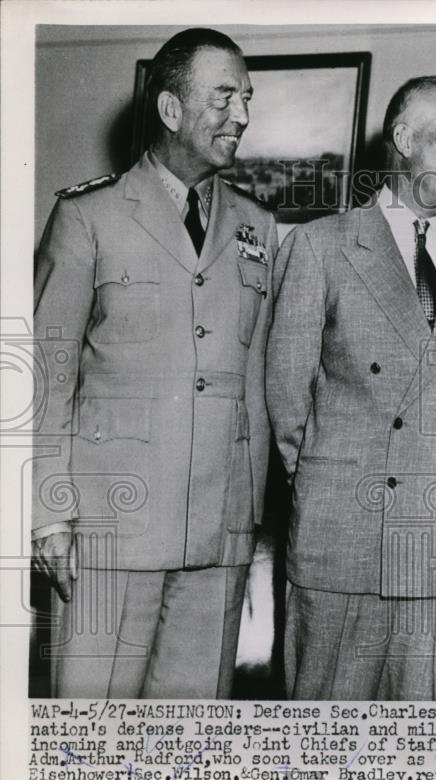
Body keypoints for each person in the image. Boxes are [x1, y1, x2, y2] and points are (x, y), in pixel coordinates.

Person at [31, 28, 277, 698]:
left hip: (220, 526)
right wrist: (49, 513)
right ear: (171, 109)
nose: (243, 115)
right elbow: (44, 375)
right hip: (110, 524)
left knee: (189, 743)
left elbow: (257, 378)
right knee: (91, 738)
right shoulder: (89, 215)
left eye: (247, 98)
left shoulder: (260, 226)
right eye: (224, 96)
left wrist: (251, 515)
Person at [267, 75, 436, 700]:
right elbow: (286, 403)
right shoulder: (320, 246)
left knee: (420, 751)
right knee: (323, 742)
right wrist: (337, 482)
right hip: (344, 541)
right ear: (403, 140)